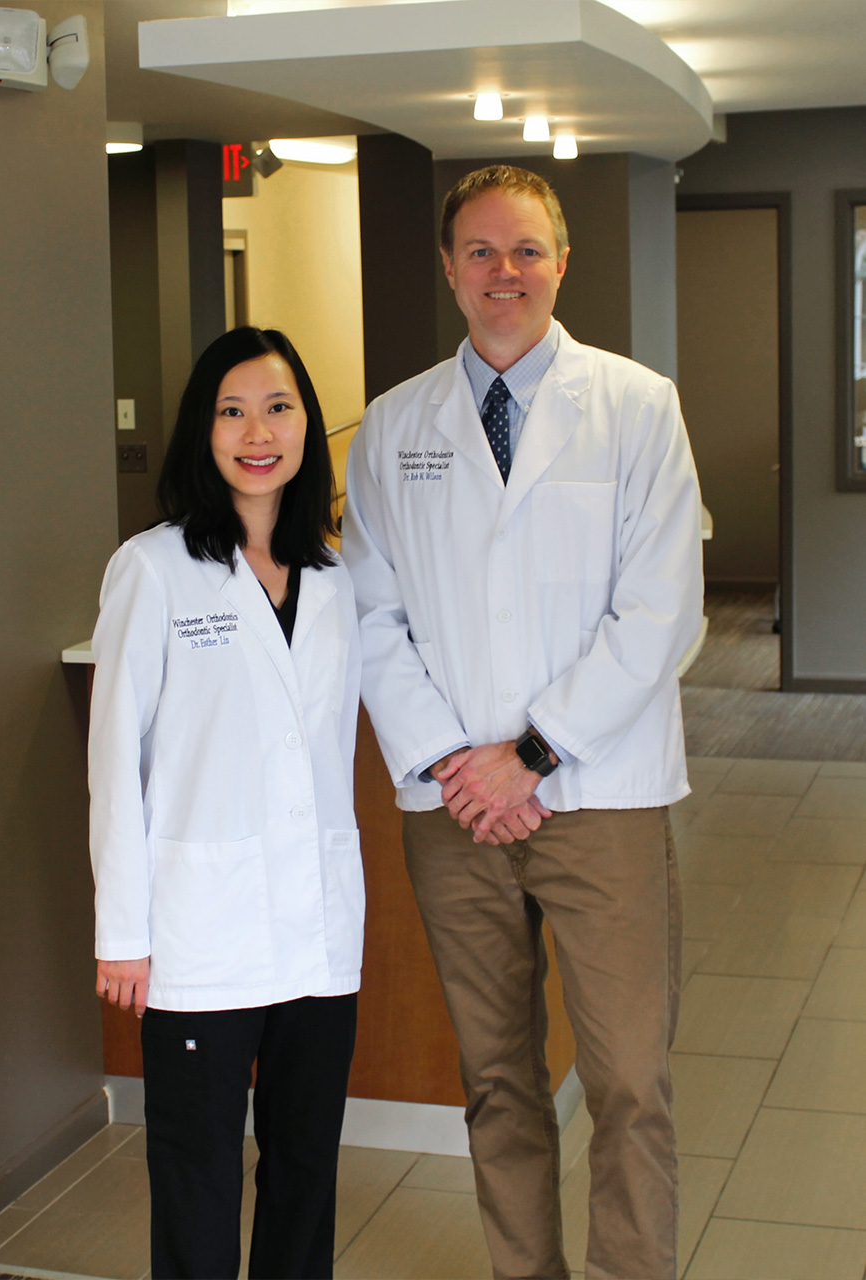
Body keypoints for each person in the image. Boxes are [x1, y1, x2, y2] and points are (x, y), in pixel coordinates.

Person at [342, 166, 703, 1280]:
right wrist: (459, 762)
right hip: (454, 810)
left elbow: (660, 610)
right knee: (495, 1076)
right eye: (482, 252)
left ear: (561, 261)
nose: (505, 272)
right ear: (449, 268)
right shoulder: (393, 423)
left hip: (598, 796)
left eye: (526, 249)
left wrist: (531, 754)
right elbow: (370, 610)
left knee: (628, 1079)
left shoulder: (637, 407)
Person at [89, 326, 364, 1280]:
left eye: (279, 407)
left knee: (303, 1171)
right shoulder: (154, 568)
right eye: (232, 409)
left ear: (306, 427)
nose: (258, 431)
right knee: (197, 1175)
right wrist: (120, 929)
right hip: (200, 930)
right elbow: (112, 756)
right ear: (200, 432)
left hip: (319, 931)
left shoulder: (334, 577)